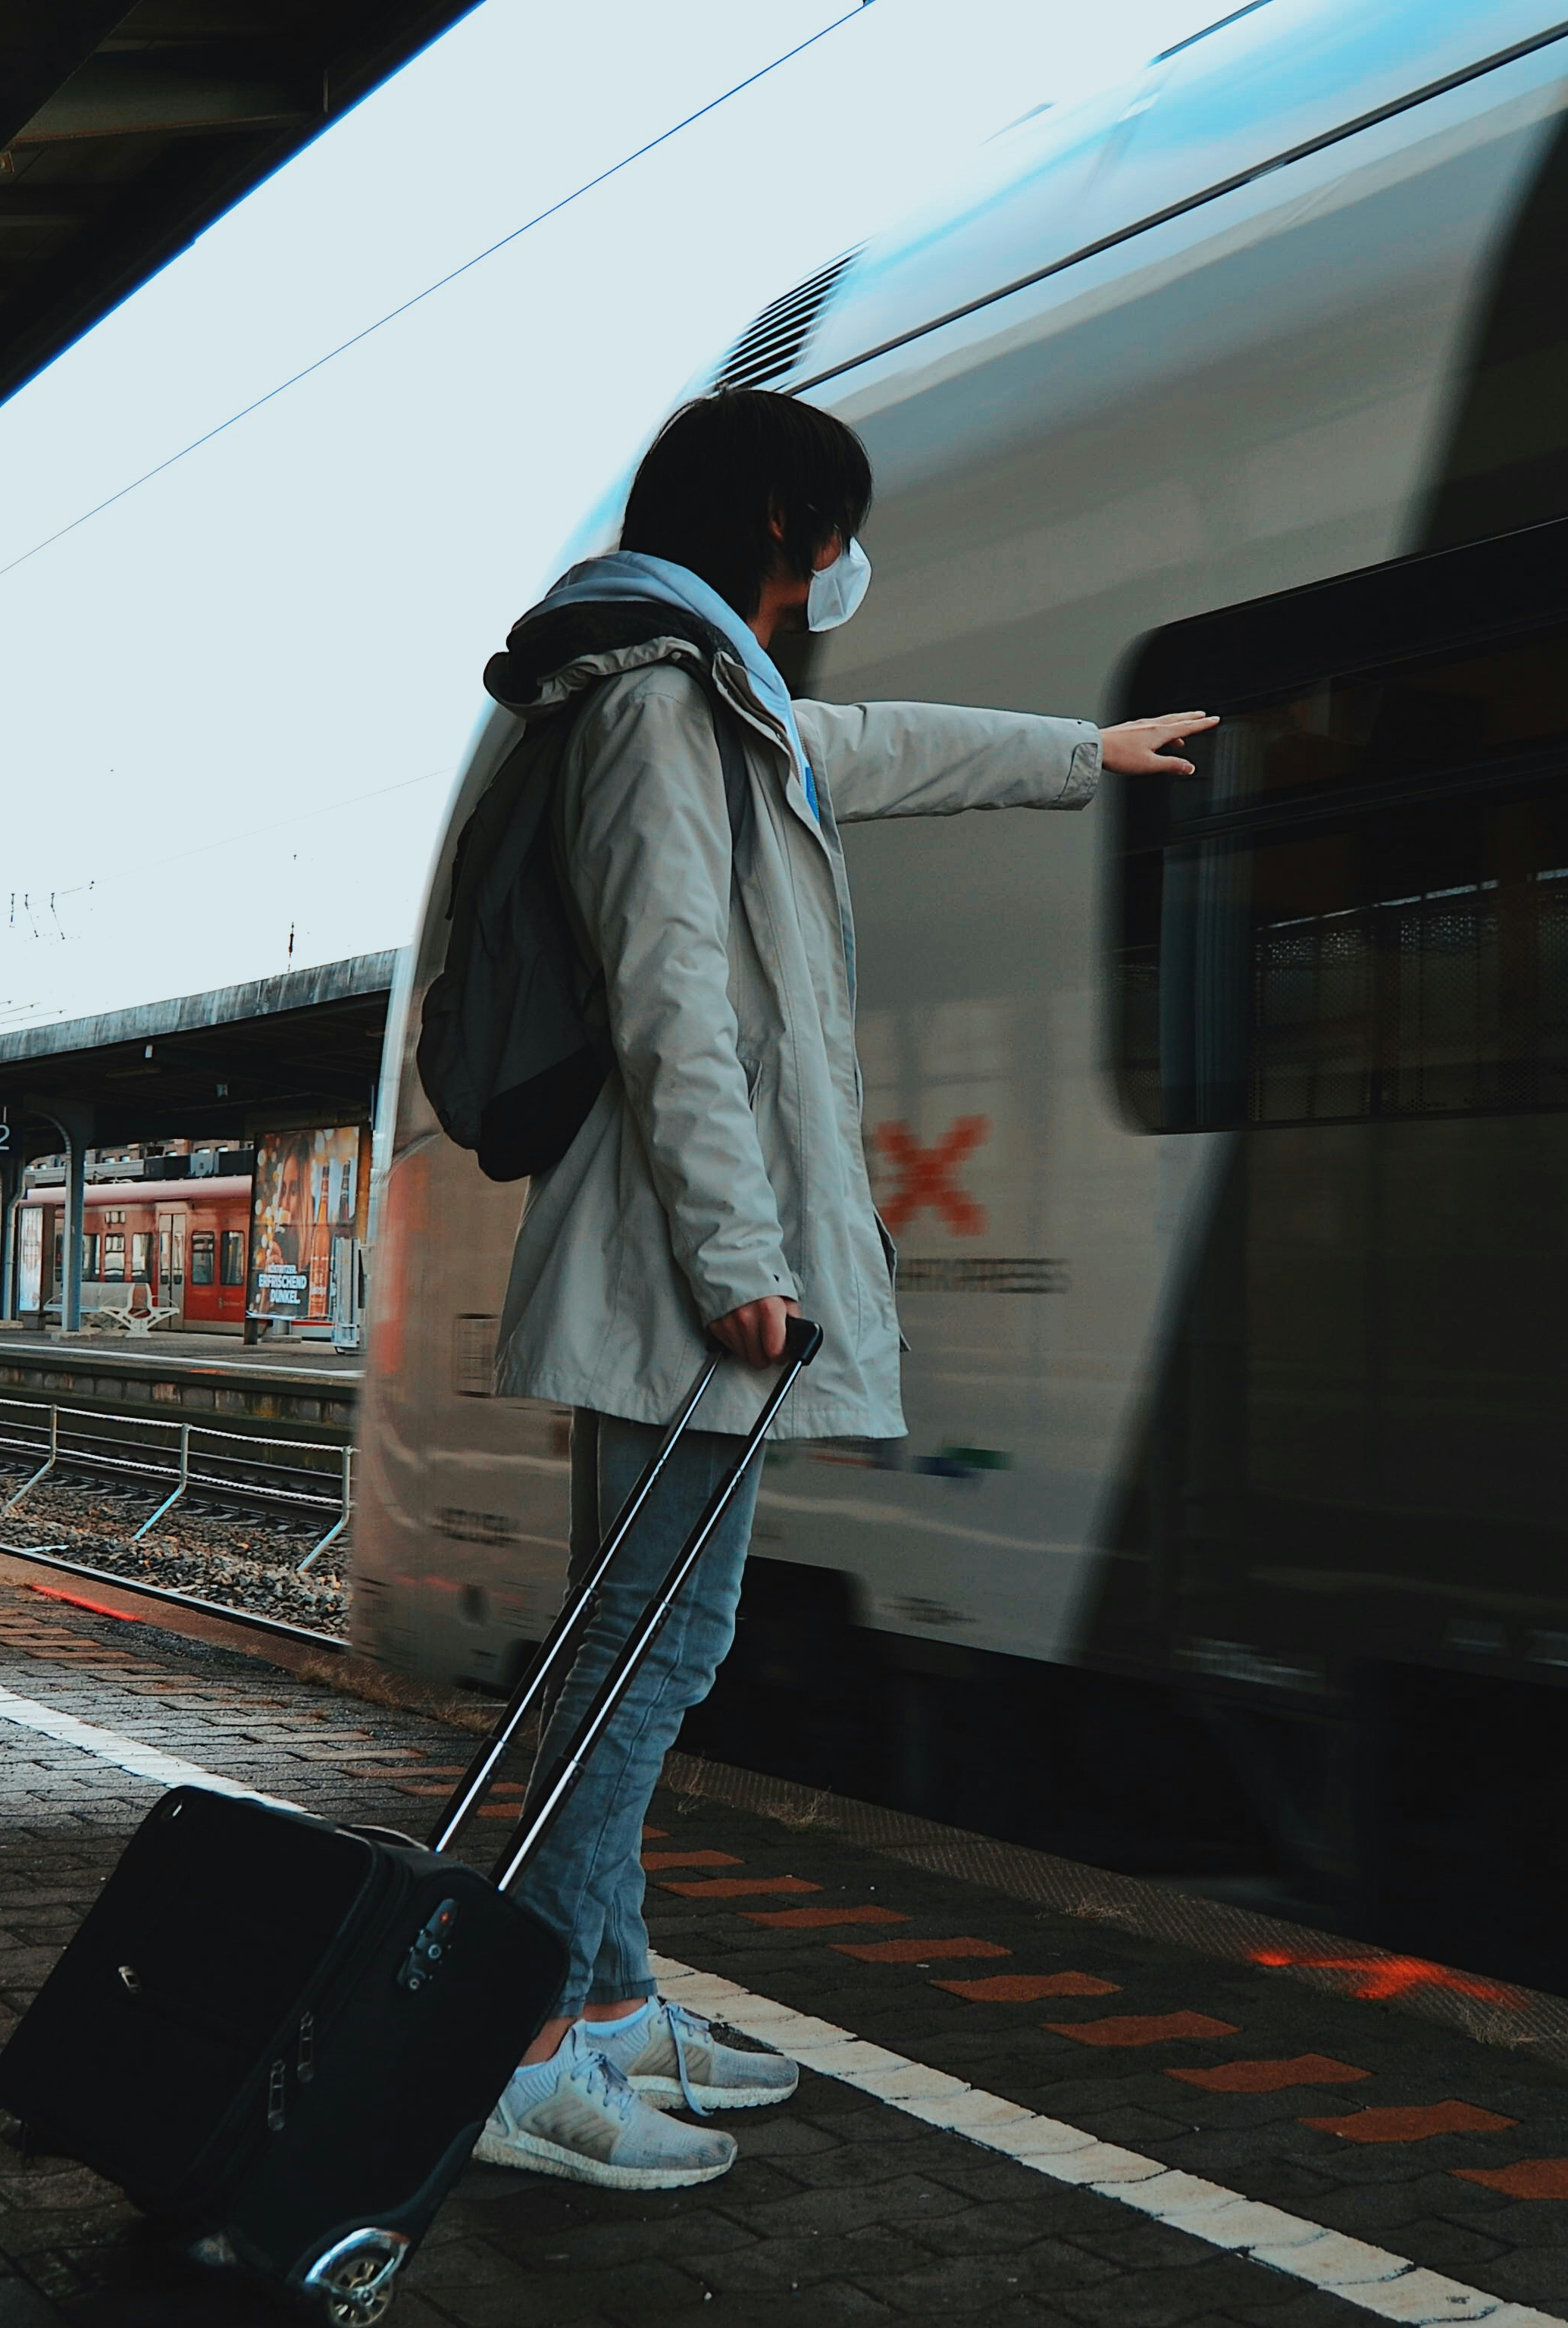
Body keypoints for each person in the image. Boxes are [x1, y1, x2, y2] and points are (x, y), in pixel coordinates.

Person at [465, 390, 1215, 2188]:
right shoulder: (655, 703)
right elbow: (672, 1006)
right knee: (647, 1662)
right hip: (683, 1289)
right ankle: (533, 2042)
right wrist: (741, 1265)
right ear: (789, 523)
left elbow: (863, 747)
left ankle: (619, 2005)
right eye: (840, 526)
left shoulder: (706, 697)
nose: (849, 565)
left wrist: (1079, 753)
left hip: (697, 1285)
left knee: (651, 1648)